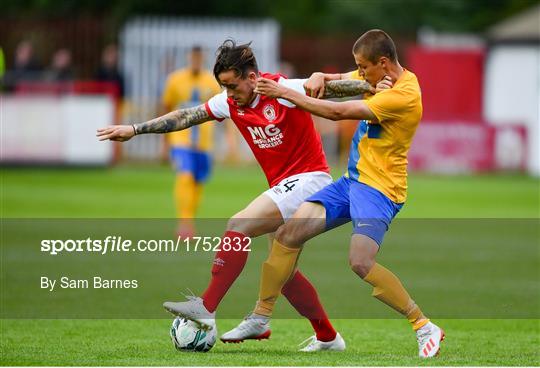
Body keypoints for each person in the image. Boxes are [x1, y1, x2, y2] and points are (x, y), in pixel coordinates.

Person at [97, 39, 374, 351]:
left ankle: (206, 307)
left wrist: (375, 85)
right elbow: (186, 116)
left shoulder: (282, 90)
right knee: (284, 272)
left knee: (239, 224)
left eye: (233, 85)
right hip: (283, 185)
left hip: (311, 179)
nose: (229, 94)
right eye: (224, 87)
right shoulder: (228, 103)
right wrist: (135, 130)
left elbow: (337, 90)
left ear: (252, 78)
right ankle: (328, 337)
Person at [245, 29, 445, 358]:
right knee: (287, 234)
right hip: (351, 181)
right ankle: (262, 317)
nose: (360, 73)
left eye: (364, 67)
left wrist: (283, 92)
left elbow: (337, 112)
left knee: (360, 262)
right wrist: (322, 74)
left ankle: (423, 325)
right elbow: (341, 80)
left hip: (380, 189)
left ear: (383, 63)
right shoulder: (378, 75)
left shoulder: (404, 95)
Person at [161, 46, 222, 237]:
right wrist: (164, 142)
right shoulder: (174, 80)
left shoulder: (211, 82)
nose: (196, 61)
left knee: (197, 182)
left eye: (199, 58)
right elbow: (166, 109)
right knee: (185, 176)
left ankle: (189, 221)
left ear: (202, 59)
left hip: (204, 142)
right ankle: (184, 224)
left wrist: (231, 139)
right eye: (193, 57)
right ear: (189, 58)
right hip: (181, 139)